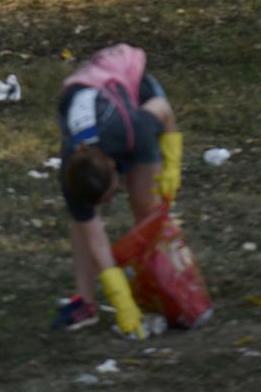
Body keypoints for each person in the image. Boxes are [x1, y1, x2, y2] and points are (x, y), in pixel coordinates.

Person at [51, 44, 183, 336]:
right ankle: (85, 303)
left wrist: (172, 163)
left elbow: (163, 111)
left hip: (134, 91)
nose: (114, 198)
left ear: (114, 166)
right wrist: (120, 301)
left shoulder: (135, 131)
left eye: (111, 193)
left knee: (144, 205)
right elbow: (95, 237)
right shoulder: (71, 172)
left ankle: (167, 286)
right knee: (82, 221)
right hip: (89, 97)